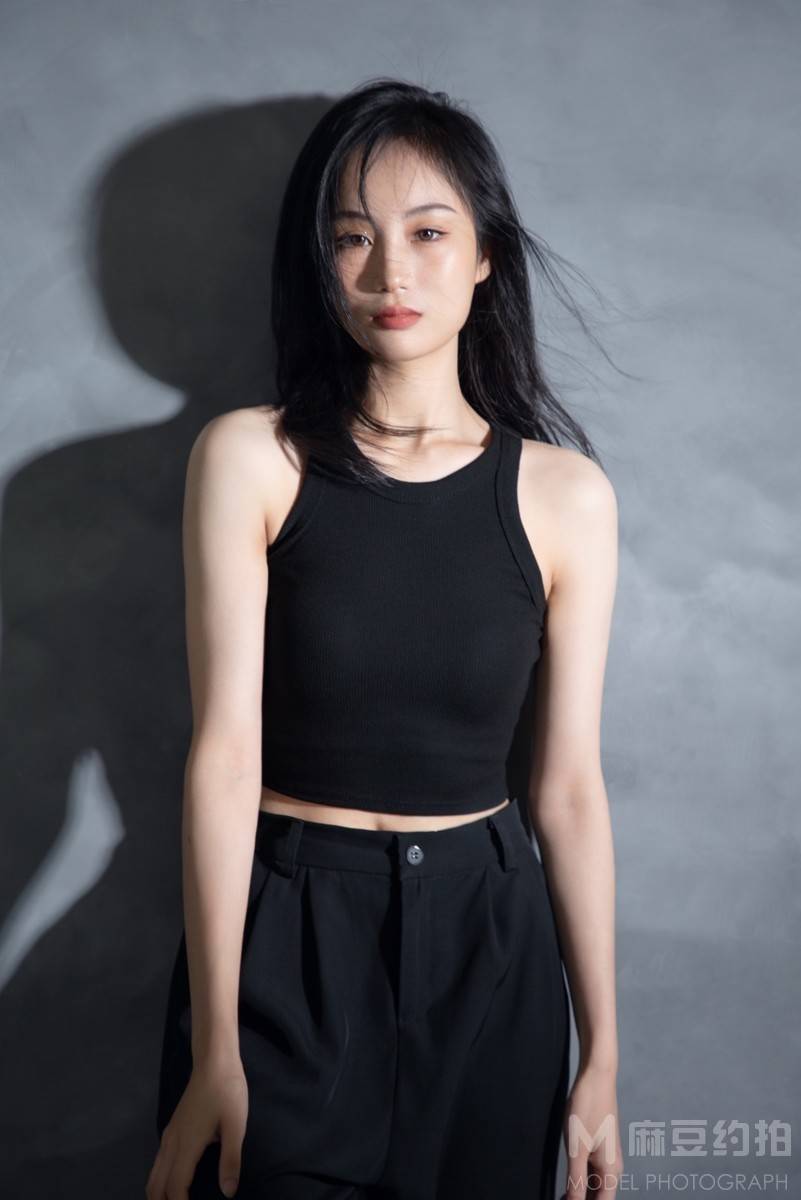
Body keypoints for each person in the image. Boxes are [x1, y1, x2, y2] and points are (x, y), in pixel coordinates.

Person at [146, 77, 623, 1200]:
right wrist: (217, 1042)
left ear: (486, 254)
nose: (389, 274)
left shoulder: (567, 496)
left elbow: (566, 789)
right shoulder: (253, 458)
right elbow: (225, 757)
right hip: (287, 935)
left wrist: (603, 1052)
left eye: (428, 233)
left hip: (491, 950)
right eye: (352, 238)